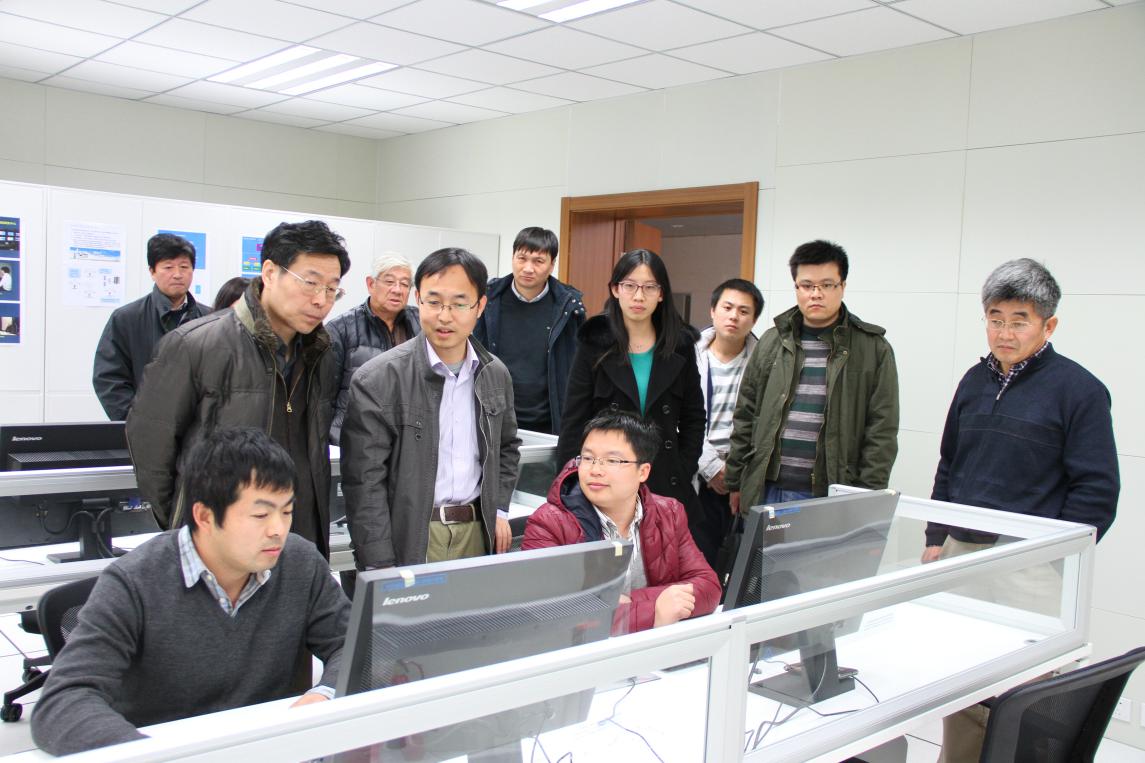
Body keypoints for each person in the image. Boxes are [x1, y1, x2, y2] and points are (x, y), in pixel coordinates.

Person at [30, 428, 351, 756]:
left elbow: (354, 647)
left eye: (286, 512)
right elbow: (63, 702)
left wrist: (325, 694)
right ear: (205, 516)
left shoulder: (300, 563)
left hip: (267, 750)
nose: (278, 530)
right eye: (260, 515)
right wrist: (153, 755)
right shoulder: (133, 583)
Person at [922, 258, 1120, 763]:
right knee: (960, 680)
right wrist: (935, 537)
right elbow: (949, 463)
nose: (1004, 333)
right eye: (995, 318)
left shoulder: (1080, 390)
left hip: (1029, 566)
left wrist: (1051, 558)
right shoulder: (973, 381)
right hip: (963, 553)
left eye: (1019, 321)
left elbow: (1097, 492)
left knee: (1024, 692)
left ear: (1048, 326)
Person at [126, 220, 349, 558]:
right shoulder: (196, 345)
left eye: (332, 289)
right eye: (310, 283)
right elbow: (150, 443)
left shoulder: (322, 352)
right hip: (219, 543)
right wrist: (188, 523)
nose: (322, 300)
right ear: (270, 273)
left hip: (298, 537)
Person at [341, 247, 521, 570]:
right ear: (418, 300)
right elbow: (364, 483)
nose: (444, 316)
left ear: (480, 306)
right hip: (411, 534)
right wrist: (379, 562)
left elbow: (506, 448)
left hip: (477, 532)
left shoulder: (495, 374)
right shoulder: (379, 379)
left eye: (459, 304)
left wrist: (498, 509)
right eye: (434, 302)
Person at [725, 240, 899, 513]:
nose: (816, 294)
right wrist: (736, 480)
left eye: (827, 285)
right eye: (806, 285)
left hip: (829, 494)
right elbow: (745, 414)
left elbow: (881, 432)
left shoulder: (873, 349)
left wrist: (865, 499)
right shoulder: (772, 341)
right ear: (796, 287)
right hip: (766, 489)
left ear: (842, 286)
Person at [524, 411, 720, 635]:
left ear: (643, 471)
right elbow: (550, 614)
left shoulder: (669, 513)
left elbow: (709, 586)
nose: (595, 470)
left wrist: (622, 603)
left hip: (655, 649)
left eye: (612, 461)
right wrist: (655, 610)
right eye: (587, 458)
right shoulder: (548, 523)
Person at [557, 248, 705, 531]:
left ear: (661, 294)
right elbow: (574, 421)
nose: (639, 296)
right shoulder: (593, 344)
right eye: (630, 286)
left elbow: (694, 418)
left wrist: (683, 467)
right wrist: (569, 483)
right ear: (615, 289)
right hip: (606, 480)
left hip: (665, 478)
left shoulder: (680, 346)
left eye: (649, 287)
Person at [473, 227, 585, 434]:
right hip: (493, 418)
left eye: (538, 261)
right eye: (522, 258)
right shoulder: (487, 299)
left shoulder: (569, 307)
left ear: (552, 265)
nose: (528, 268)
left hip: (548, 424)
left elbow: (577, 368)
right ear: (513, 258)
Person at [92, 233, 210, 421]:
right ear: (152, 271)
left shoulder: (209, 318)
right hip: (146, 427)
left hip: (198, 428)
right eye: (168, 267)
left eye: (184, 267)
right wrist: (135, 421)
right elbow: (108, 378)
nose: (177, 274)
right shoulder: (126, 318)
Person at [693, 278, 763, 566]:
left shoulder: (765, 362)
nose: (734, 316)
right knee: (698, 561)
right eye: (727, 307)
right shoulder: (687, 355)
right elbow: (679, 420)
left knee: (740, 564)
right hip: (698, 475)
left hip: (743, 480)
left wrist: (736, 477)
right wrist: (711, 467)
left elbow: (762, 424)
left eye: (744, 311)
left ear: (754, 320)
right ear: (713, 310)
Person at [326, 253, 421, 444]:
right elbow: (325, 397)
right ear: (371, 284)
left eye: (404, 284)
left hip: (407, 439)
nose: (397, 290)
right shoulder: (340, 329)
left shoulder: (421, 324)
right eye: (390, 282)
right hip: (354, 438)